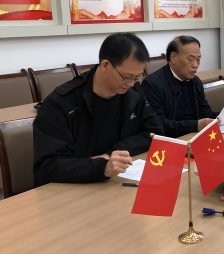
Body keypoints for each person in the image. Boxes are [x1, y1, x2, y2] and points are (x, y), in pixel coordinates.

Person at [33, 33, 165, 187]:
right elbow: (46, 167)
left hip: (112, 184)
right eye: (127, 77)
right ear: (106, 65)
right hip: (68, 189)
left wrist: (112, 154)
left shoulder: (132, 92)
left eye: (137, 77)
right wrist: (102, 167)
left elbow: (155, 134)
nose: (131, 83)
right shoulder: (62, 103)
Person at [141, 36, 224, 138]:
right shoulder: (152, 85)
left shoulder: (195, 82)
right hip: (172, 141)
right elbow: (158, 126)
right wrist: (195, 125)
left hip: (195, 136)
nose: (195, 65)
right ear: (173, 57)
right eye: (190, 59)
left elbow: (205, 113)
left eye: (198, 60)